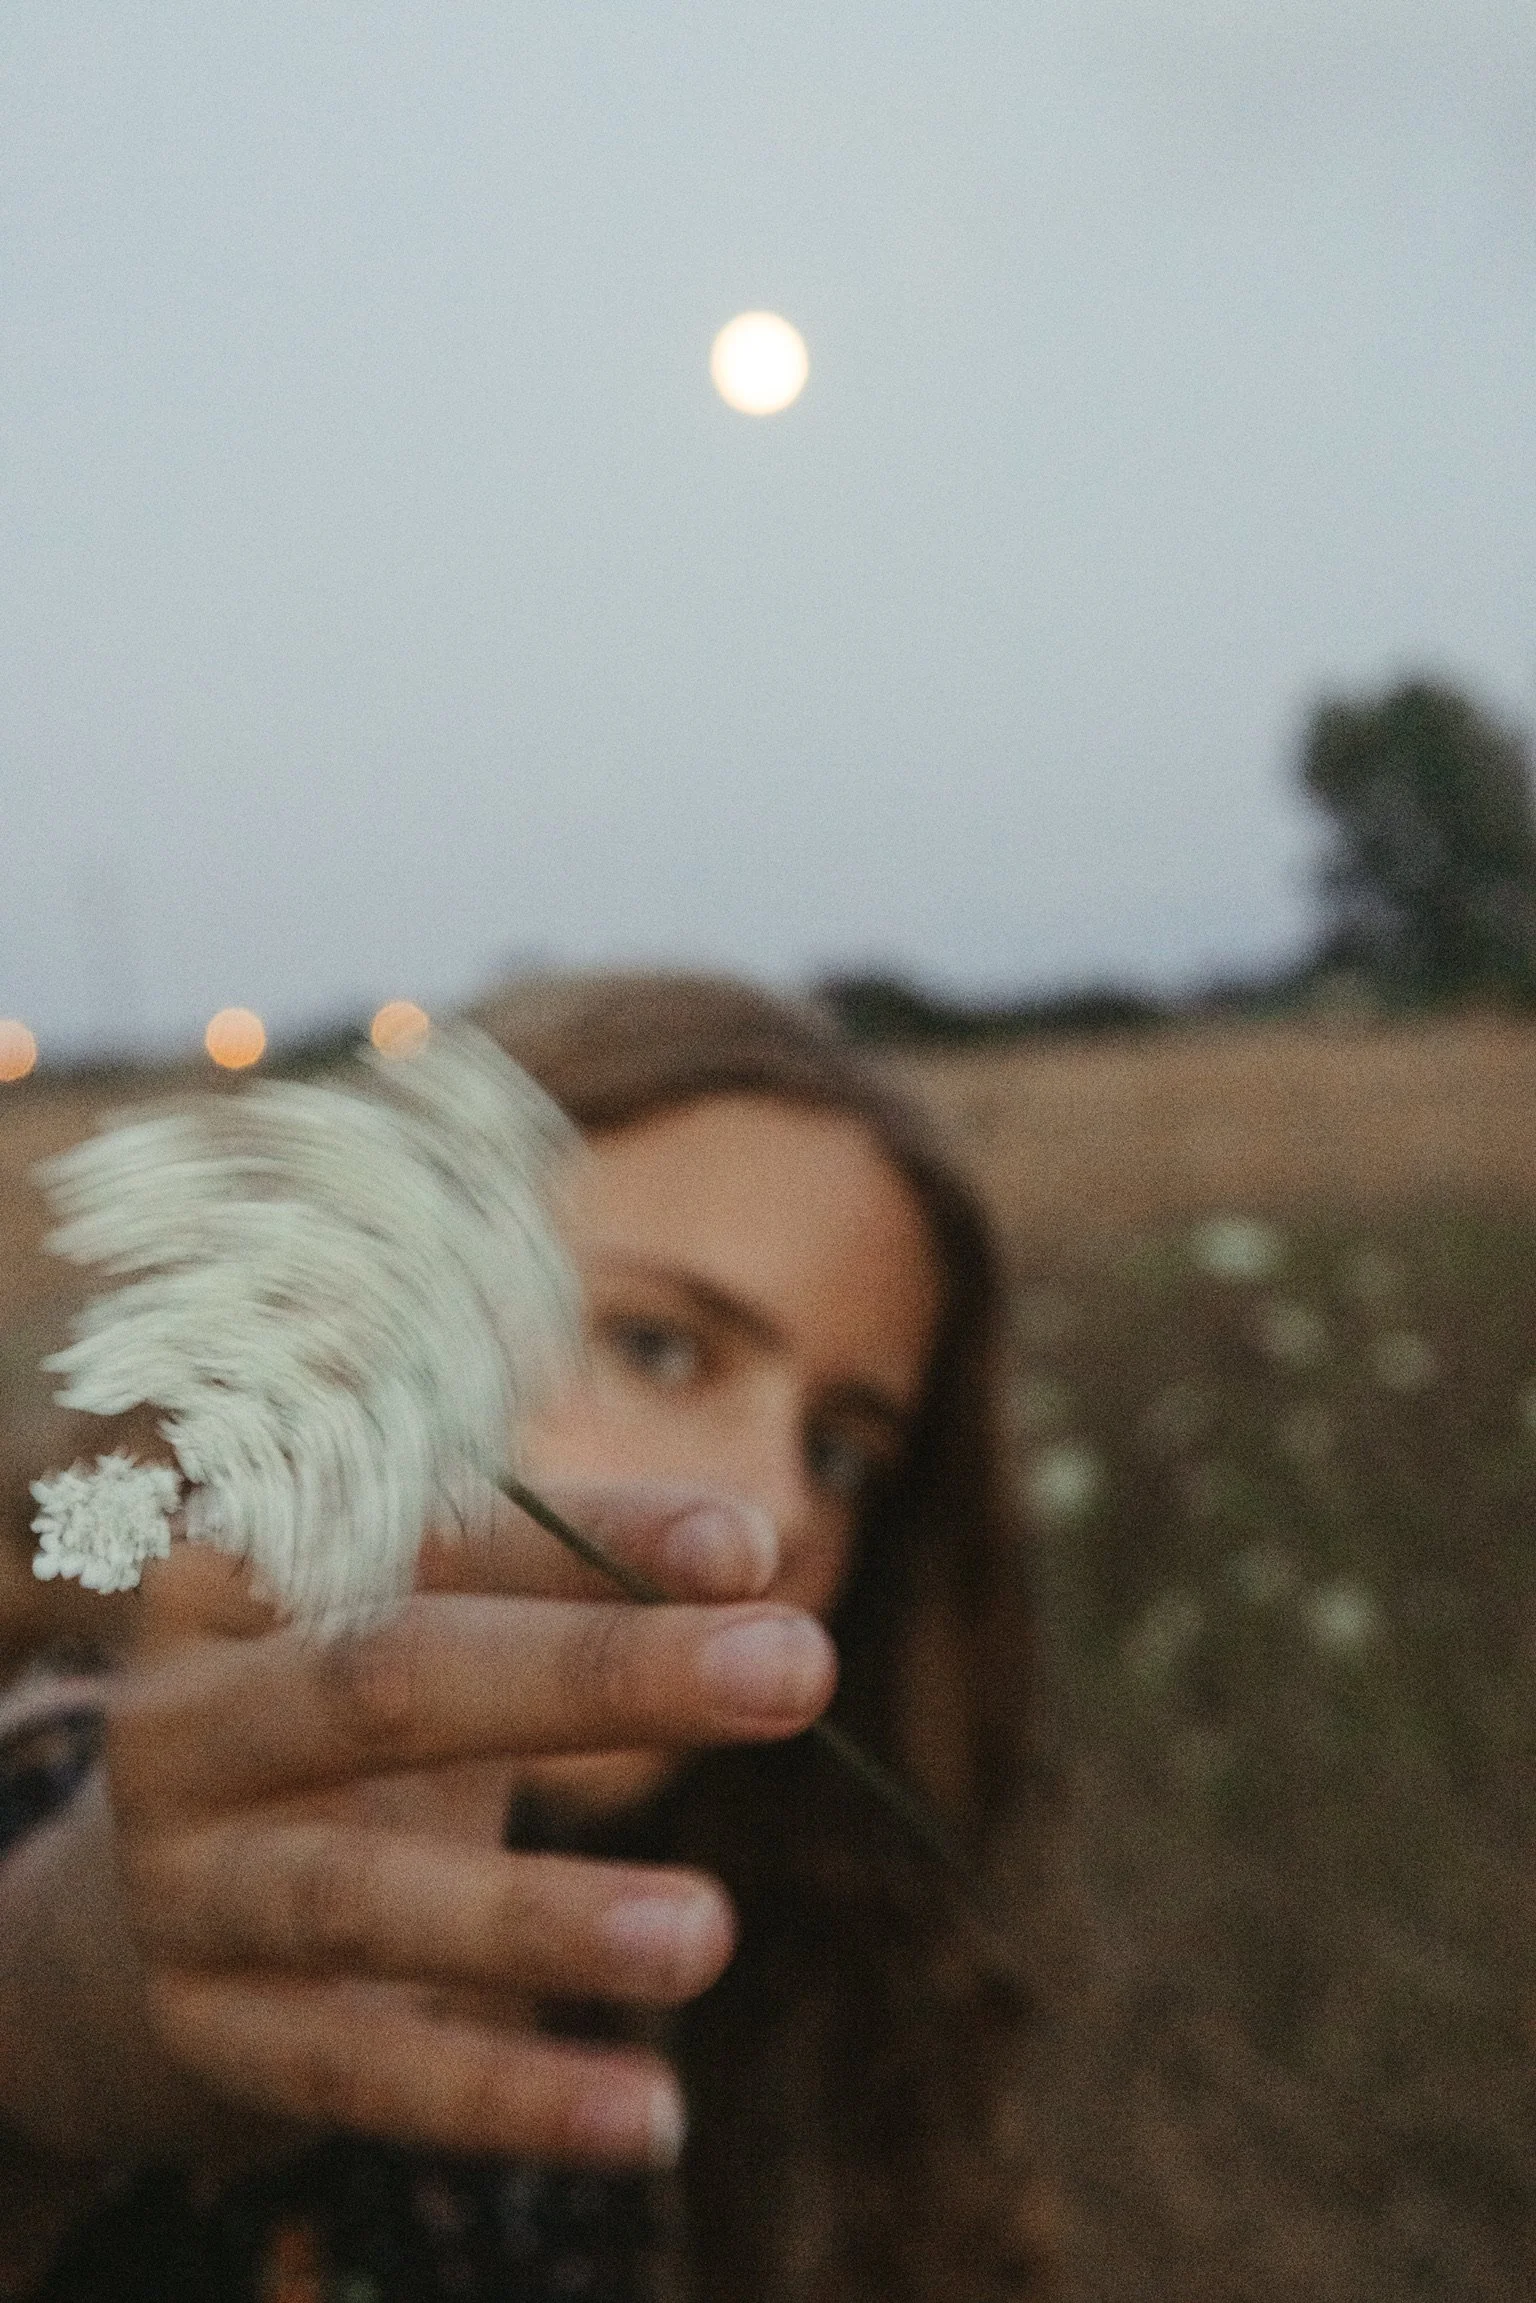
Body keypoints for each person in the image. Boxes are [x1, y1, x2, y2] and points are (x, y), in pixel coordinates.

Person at [0, 973, 1047, 2302]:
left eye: (841, 1450)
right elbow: (78, 1917)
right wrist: (94, 1981)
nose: (776, 1507)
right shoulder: (86, 1737)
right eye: (661, 1346)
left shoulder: (728, 1915)